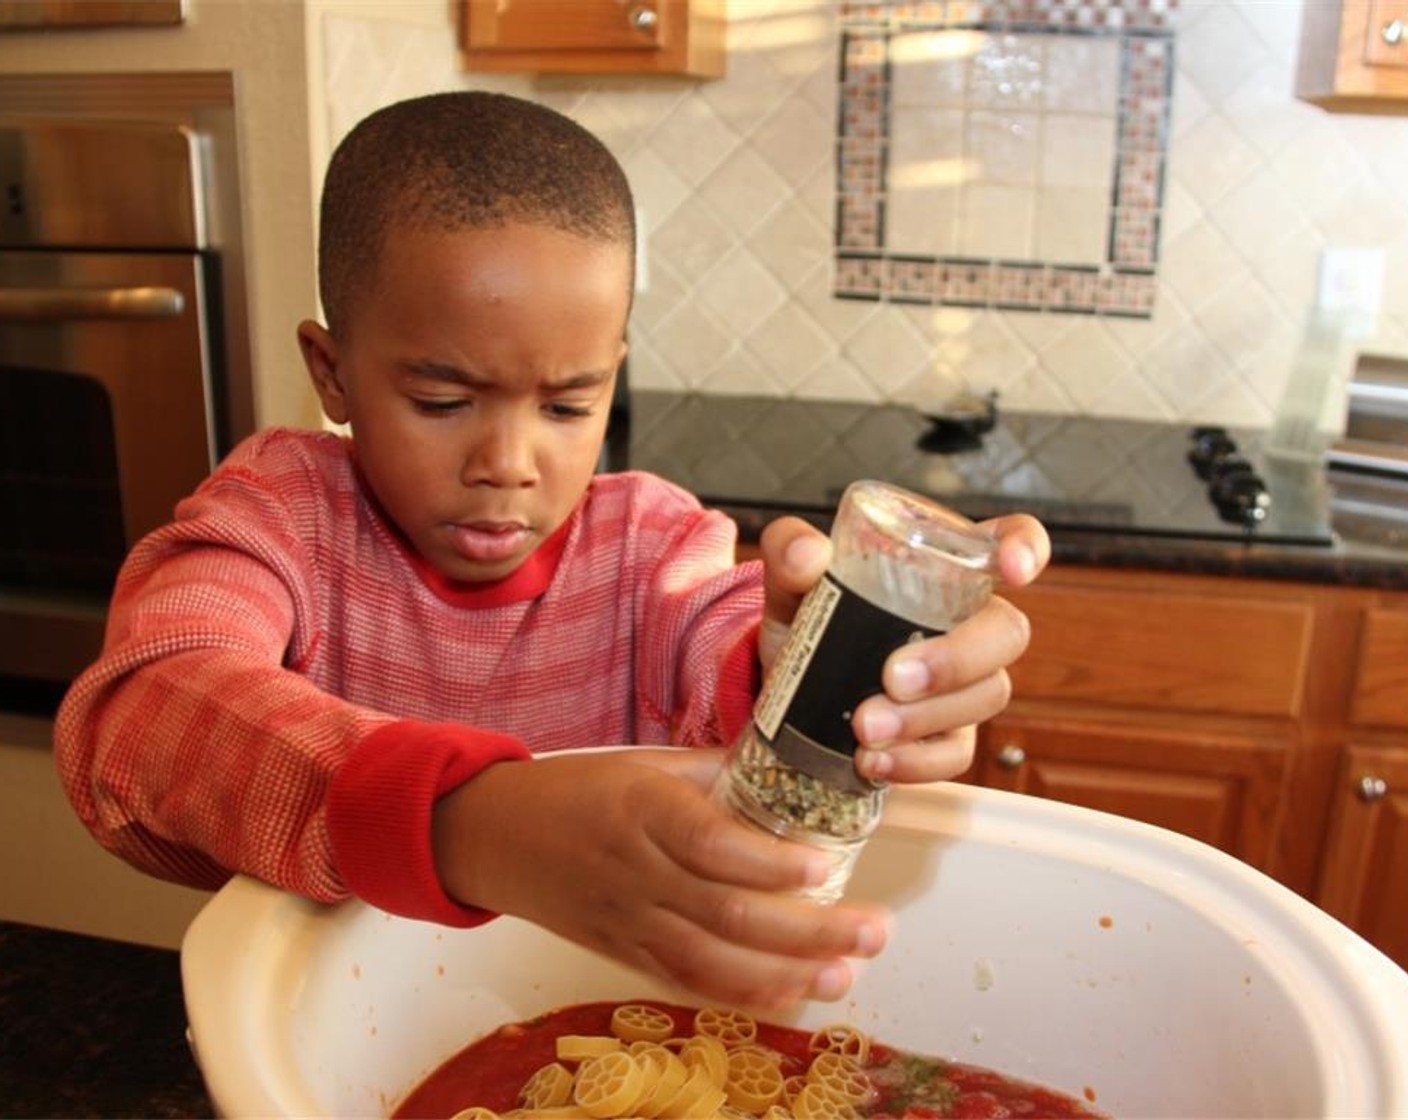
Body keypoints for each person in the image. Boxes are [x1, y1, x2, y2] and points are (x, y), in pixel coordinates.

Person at [54, 91, 1048, 1011]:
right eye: (442, 401)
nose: (507, 462)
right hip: (332, 1021)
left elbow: (722, 639)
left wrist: (809, 672)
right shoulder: (277, 519)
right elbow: (140, 713)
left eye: (569, 404)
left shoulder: (653, 546)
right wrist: (470, 824)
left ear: (612, 375)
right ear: (333, 371)